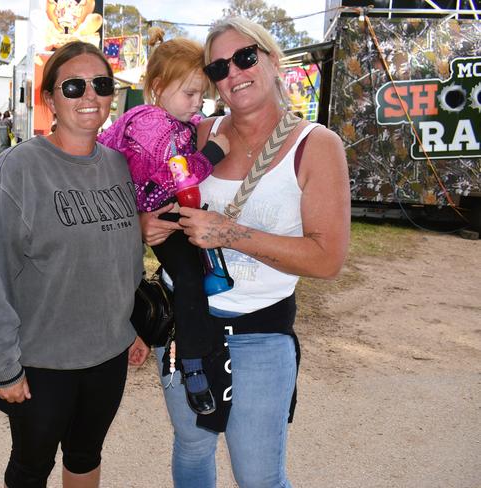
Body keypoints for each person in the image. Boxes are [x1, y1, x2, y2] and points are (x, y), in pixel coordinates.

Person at [138, 17, 350, 487]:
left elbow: (328, 258)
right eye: (218, 67)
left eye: (245, 57)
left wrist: (230, 234)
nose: (233, 72)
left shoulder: (315, 145)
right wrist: (143, 224)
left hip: (261, 334)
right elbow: (142, 192)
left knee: (258, 475)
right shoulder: (195, 134)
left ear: (273, 61)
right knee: (192, 450)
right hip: (183, 326)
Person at [0, 41, 149, 488]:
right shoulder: (18, 170)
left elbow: (124, 257)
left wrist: (135, 325)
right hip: (42, 362)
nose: (89, 96)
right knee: (31, 467)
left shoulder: (121, 166)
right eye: (73, 86)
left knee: (86, 455)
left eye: (101, 85)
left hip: (108, 355)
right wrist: (0, 365)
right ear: (50, 98)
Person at [98, 34, 230, 416]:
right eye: (189, 94)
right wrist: (211, 155)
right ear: (158, 87)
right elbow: (174, 174)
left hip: (158, 214)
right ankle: (191, 365)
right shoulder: (152, 123)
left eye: (200, 96)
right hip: (155, 214)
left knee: (193, 274)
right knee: (189, 281)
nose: (196, 103)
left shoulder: (169, 118)